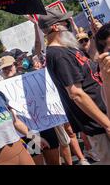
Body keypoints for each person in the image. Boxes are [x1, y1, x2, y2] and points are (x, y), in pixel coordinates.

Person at [39, 9, 110, 165]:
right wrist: (106, 123)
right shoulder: (58, 55)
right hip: (99, 124)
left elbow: (92, 60)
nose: (69, 25)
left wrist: (95, 35)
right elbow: (76, 93)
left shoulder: (67, 48)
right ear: (56, 27)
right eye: (66, 22)